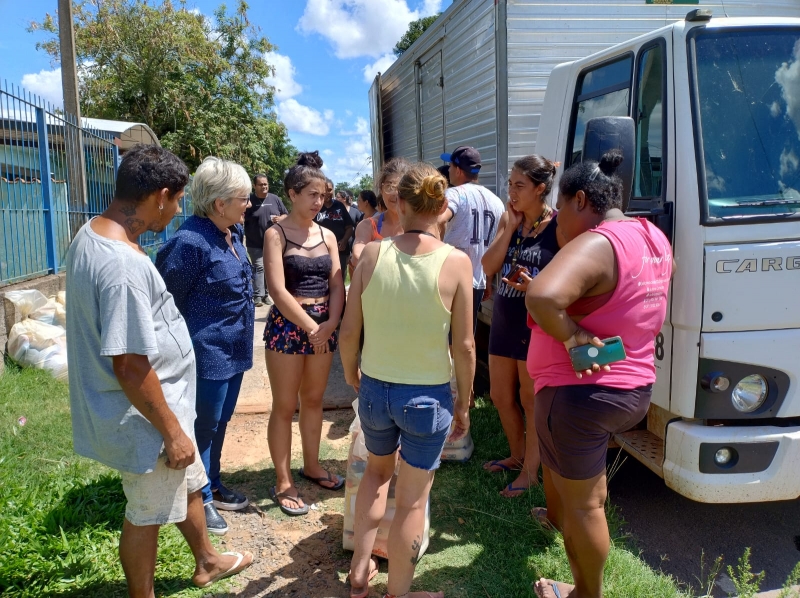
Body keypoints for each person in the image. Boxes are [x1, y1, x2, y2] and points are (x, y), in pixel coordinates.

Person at [65, 144, 253, 597]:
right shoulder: (123, 266)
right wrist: (171, 431)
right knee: (146, 512)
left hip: (160, 405)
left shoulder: (93, 233)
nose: (176, 213)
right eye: (177, 202)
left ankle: (207, 560)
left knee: (188, 482)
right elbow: (129, 364)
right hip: (144, 418)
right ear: (162, 195)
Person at [525, 151, 672, 598]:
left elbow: (542, 298)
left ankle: (586, 593)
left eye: (560, 210)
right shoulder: (652, 236)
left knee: (587, 505)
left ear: (581, 200)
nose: (556, 225)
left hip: (582, 394)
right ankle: (553, 516)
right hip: (632, 386)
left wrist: (572, 338)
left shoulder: (599, 242)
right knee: (570, 477)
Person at [341, 162, 475, 598]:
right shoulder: (456, 263)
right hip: (426, 397)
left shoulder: (372, 255)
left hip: (376, 390)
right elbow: (465, 348)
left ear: (398, 201)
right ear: (440, 206)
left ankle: (360, 571)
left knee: (376, 476)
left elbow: (349, 330)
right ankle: (399, 592)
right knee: (414, 499)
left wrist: (349, 372)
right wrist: (464, 404)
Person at [156, 157, 256, 535]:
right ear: (219, 204)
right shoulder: (189, 243)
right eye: (242, 198)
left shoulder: (233, 235)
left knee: (220, 421)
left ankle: (211, 482)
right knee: (202, 426)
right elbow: (164, 306)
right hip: (205, 354)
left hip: (234, 352)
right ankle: (200, 498)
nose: (248, 205)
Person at [263, 151, 346, 517]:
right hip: (288, 326)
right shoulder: (275, 233)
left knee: (314, 401)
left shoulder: (327, 235)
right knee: (285, 406)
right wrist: (312, 326)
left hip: (323, 327)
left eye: (323, 196)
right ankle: (283, 480)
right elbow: (277, 291)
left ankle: (311, 466)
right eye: (313, 195)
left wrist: (330, 323)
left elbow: (338, 284)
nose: (319, 202)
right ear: (293, 194)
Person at [480, 155, 560, 497]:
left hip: (534, 324)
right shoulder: (507, 220)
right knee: (500, 395)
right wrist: (510, 227)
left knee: (530, 401)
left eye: (519, 186)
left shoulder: (559, 226)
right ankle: (516, 456)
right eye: (509, 184)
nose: (511, 192)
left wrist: (537, 287)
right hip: (504, 317)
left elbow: (567, 276)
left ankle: (530, 473)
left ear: (540, 189)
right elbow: (488, 266)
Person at [438, 146, 505, 332]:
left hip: (451, 279)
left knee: (446, 337)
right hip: (477, 281)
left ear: (458, 170)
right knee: (467, 336)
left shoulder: (455, 194)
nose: (448, 171)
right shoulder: (496, 201)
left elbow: (438, 220)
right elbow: (494, 245)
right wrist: (488, 279)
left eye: (450, 166)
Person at [350, 158, 409, 269]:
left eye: (402, 188)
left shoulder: (420, 225)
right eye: (389, 187)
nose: (395, 194)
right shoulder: (369, 225)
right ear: (381, 190)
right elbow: (358, 255)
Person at [243, 174, 287, 307]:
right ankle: (257, 296)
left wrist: (281, 219)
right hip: (254, 242)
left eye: (266, 184)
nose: (264, 186)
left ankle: (266, 295)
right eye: (261, 184)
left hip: (272, 243)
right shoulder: (249, 200)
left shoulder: (275, 199)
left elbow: (285, 214)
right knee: (259, 267)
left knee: (269, 267)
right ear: (255, 186)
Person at [317, 178, 355, 287]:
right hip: (321, 251)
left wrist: (344, 241)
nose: (327, 192)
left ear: (333, 190)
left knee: (339, 280)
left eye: (329, 189)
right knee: (323, 280)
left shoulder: (339, 206)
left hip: (341, 250)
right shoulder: (316, 207)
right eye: (324, 189)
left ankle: (340, 303)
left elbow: (349, 227)